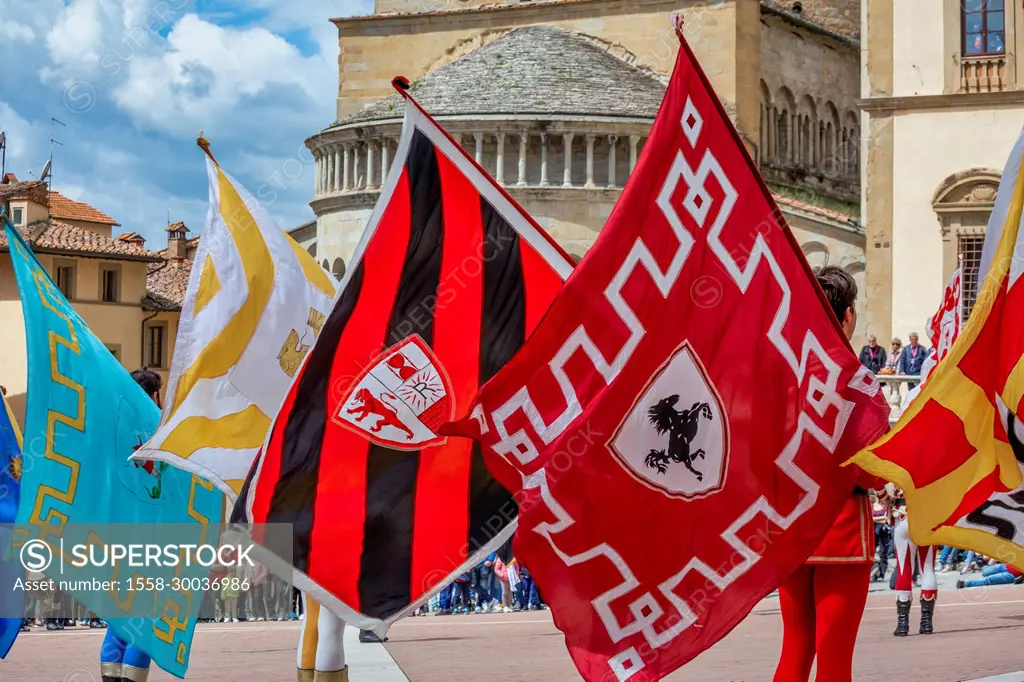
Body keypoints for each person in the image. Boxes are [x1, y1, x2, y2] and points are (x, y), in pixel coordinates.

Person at [774, 266, 888, 682]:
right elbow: (872, 474)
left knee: (795, 649)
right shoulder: (860, 382)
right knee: (835, 659)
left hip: (790, 526)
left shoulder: (784, 376)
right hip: (841, 529)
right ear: (848, 316)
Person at [100, 368, 161, 682]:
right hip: (154, 537)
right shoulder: (164, 429)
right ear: (154, 395)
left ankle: (110, 678)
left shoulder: (113, 426)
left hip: (116, 536)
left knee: (118, 614)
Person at [888, 486, 937, 636]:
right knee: (927, 569)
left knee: (904, 568)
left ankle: (903, 624)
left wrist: (884, 498)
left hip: (902, 513)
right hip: (929, 514)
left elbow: (882, 488)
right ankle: (927, 623)